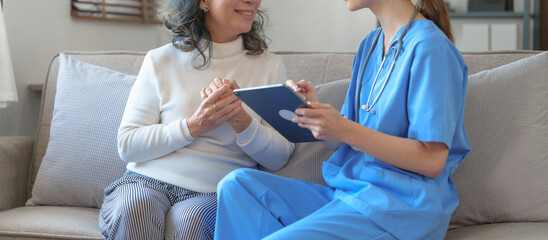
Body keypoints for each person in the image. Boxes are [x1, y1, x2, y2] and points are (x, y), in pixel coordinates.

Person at [214, 0, 470, 239]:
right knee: (237, 185)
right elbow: (348, 137)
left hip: (400, 210)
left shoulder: (431, 48)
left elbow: (432, 160)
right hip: (352, 195)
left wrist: (344, 128)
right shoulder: (370, 45)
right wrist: (316, 115)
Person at [98, 0, 294, 239]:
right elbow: (128, 145)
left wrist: (242, 122)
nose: (252, 0)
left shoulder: (269, 67)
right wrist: (193, 126)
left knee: (192, 219)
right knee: (134, 206)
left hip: (213, 192)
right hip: (145, 181)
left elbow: (280, 157)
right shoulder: (159, 60)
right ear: (203, 2)